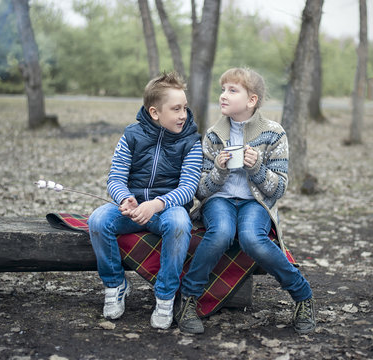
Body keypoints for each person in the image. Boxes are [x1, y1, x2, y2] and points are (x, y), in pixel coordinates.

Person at [176, 67, 316, 335]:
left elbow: (278, 190)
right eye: (222, 89)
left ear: (251, 100)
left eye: (232, 90)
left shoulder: (274, 133)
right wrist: (219, 169)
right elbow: (201, 191)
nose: (223, 96)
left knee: (252, 238)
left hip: (255, 202)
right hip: (220, 200)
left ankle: (302, 295)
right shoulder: (214, 135)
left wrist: (257, 169)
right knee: (222, 233)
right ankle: (189, 299)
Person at [87, 71, 203, 330]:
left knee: (179, 225)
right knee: (97, 219)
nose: (183, 115)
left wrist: (157, 204)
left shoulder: (192, 142)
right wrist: (125, 198)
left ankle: (165, 295)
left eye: (185, 107)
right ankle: (115, 285)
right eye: (175, 109)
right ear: (154, 112)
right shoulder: (131, 136)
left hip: (168, 210)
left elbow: (188, 188)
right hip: (133, 209)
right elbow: (115, 178)